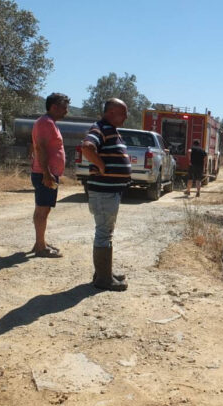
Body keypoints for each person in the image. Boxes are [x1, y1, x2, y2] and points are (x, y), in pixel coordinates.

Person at [80, 98, 131, 291]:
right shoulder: (100, 128)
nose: (126, 117)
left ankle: (104, 272)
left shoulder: (110, 129)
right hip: (104, 191)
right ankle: (103, 280)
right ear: (110, 112)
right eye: (123, 113)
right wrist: (101, 166)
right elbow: (87, 147)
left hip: (109, 191)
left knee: (106, 232)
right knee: (103, 234)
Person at [30, 92, 70, 258]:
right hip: (45, 174)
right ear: (54, 107)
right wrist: (46, 174)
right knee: (42, 210)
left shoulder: (49, 122)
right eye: (64, 108)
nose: (66, 111)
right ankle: (40, 247)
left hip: (46, 173)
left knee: (42, 209)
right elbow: (41, 148)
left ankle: (40, 242)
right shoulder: (46, 123)